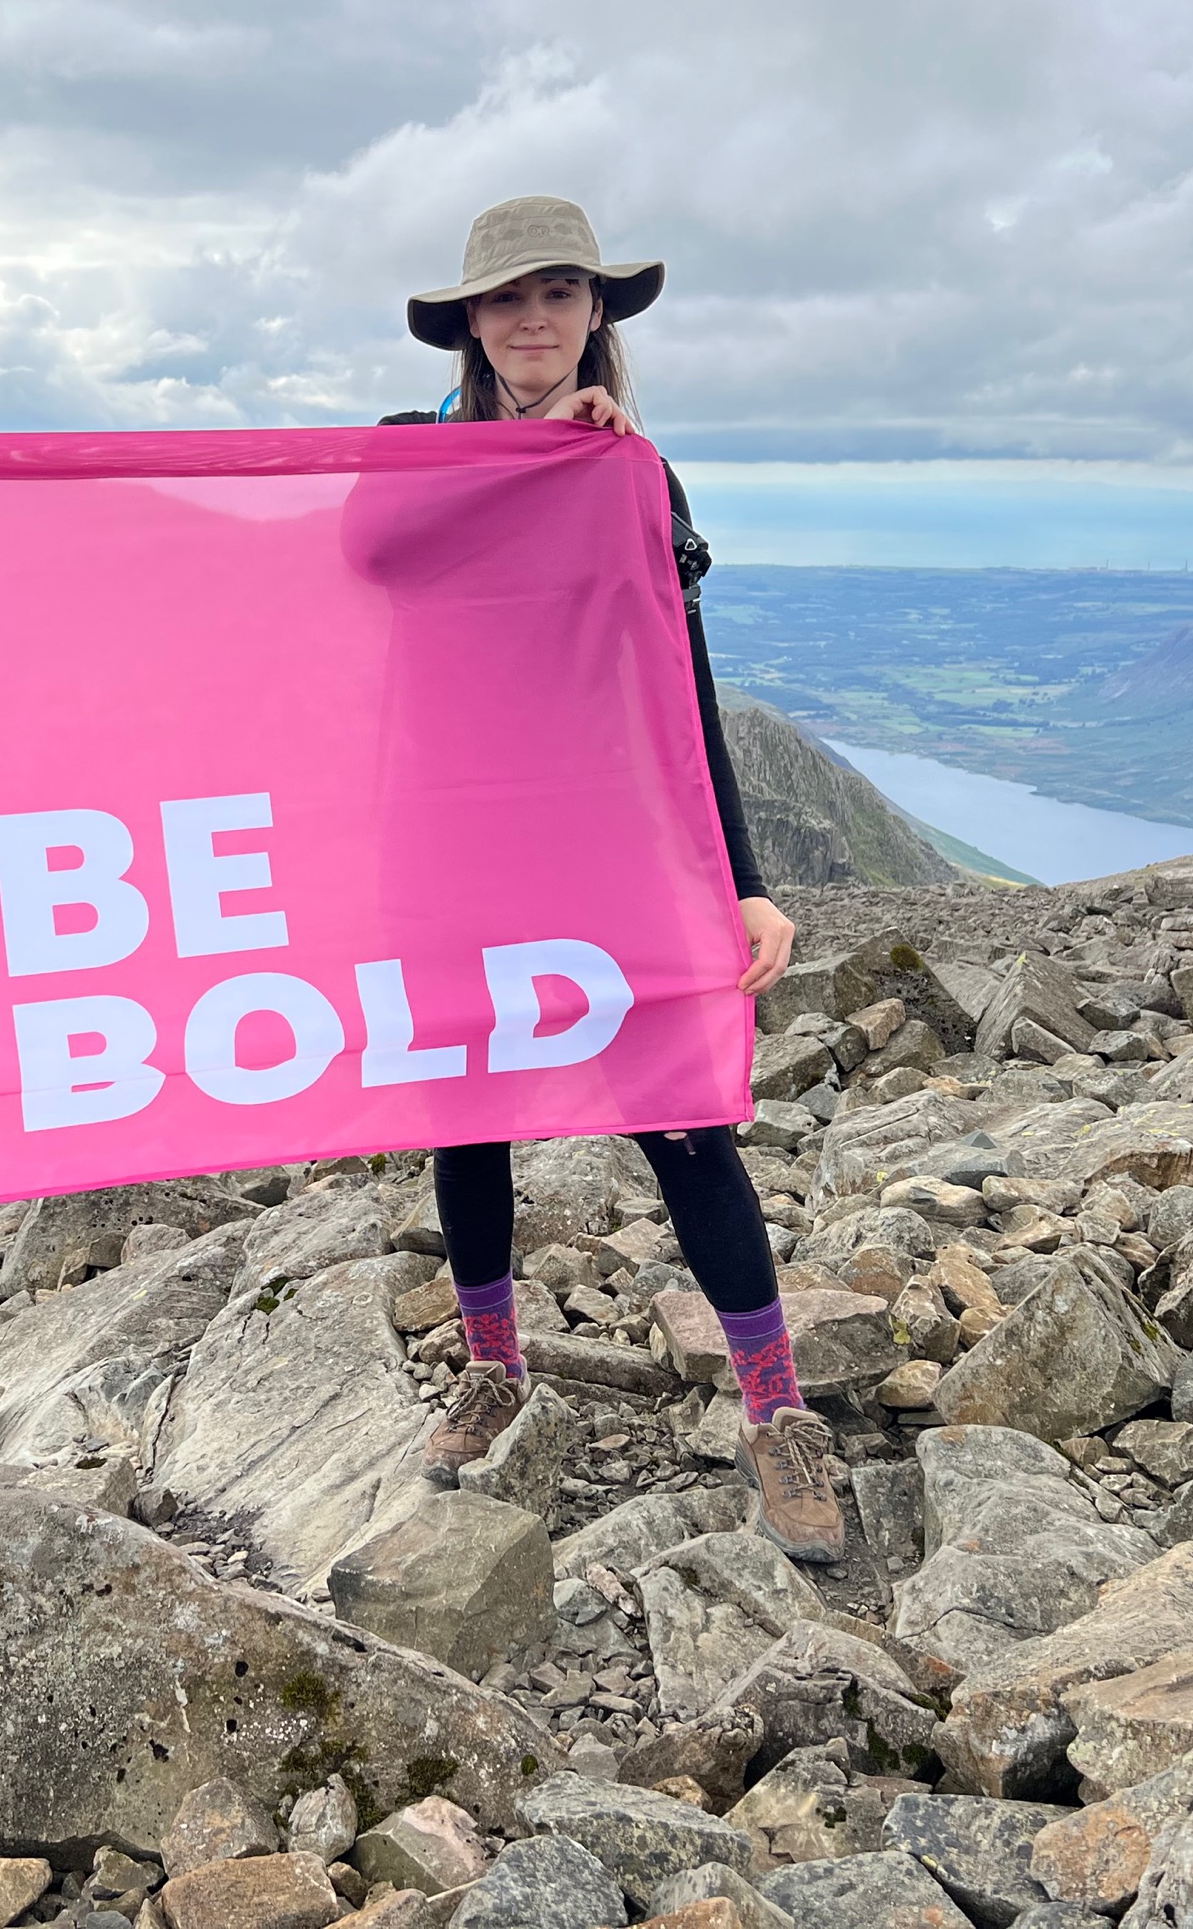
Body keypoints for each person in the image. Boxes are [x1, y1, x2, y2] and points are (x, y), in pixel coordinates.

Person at [382, 195, 847, 1562]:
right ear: (471, 321)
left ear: (595, 313)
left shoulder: (639, 476)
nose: (533, 318)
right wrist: (519, 465)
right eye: (507, 297)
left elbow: (679, 680)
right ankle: (492, 1365)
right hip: (453, 838)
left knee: (683, 1110)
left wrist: (741, 880)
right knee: (468, 1111)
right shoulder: (412, 455)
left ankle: (778, 1414)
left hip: (605, 842)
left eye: (559, 294)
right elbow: (363, 556)